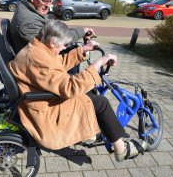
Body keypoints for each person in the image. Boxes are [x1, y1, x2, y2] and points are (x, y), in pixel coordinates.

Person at [9, 20, 147, 162]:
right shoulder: (38, 58)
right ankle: (121, 149)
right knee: (102, 102)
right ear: (52, 42)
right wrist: (97, 64)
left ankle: (91, 129)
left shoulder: (38, 47)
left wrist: (83, 50)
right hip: (45, 108)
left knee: (91, 89)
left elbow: (57, 64)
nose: (64, 48)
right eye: (64, 45)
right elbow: (70, 89)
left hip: (41, 97)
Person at [9, 0, 95, 56]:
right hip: (35, 66)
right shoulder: (28, 21)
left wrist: (78, 32)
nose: (48, 6)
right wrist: (80, 32)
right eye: (45, 1)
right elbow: (52, 44)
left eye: (51, 1)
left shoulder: (34, 10)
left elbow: (52, 31)